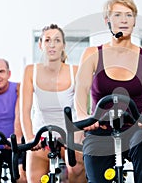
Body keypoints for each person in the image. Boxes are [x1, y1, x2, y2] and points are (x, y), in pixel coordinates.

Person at [74, 0, 142, 183]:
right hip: (101, 127)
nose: (124, 20)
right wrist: (82, 116)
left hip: (135, 127)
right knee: (96, 175)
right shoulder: (92, 54)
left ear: (134, 21)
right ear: (107, 20)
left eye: (129, 15)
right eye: (117, 15)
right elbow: (80, 90)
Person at [20, 24, 86, 182]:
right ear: (40, 44)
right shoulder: (30, 71)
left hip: (69, 136)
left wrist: (77, 139)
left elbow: (81, 109)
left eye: (57, 40)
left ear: (63, 45)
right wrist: (30, 138)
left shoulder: (75, 71)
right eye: (47, 40)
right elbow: (24, 111)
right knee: (34, 179)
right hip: (40, 137)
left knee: (77, 168)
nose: (52, 44)